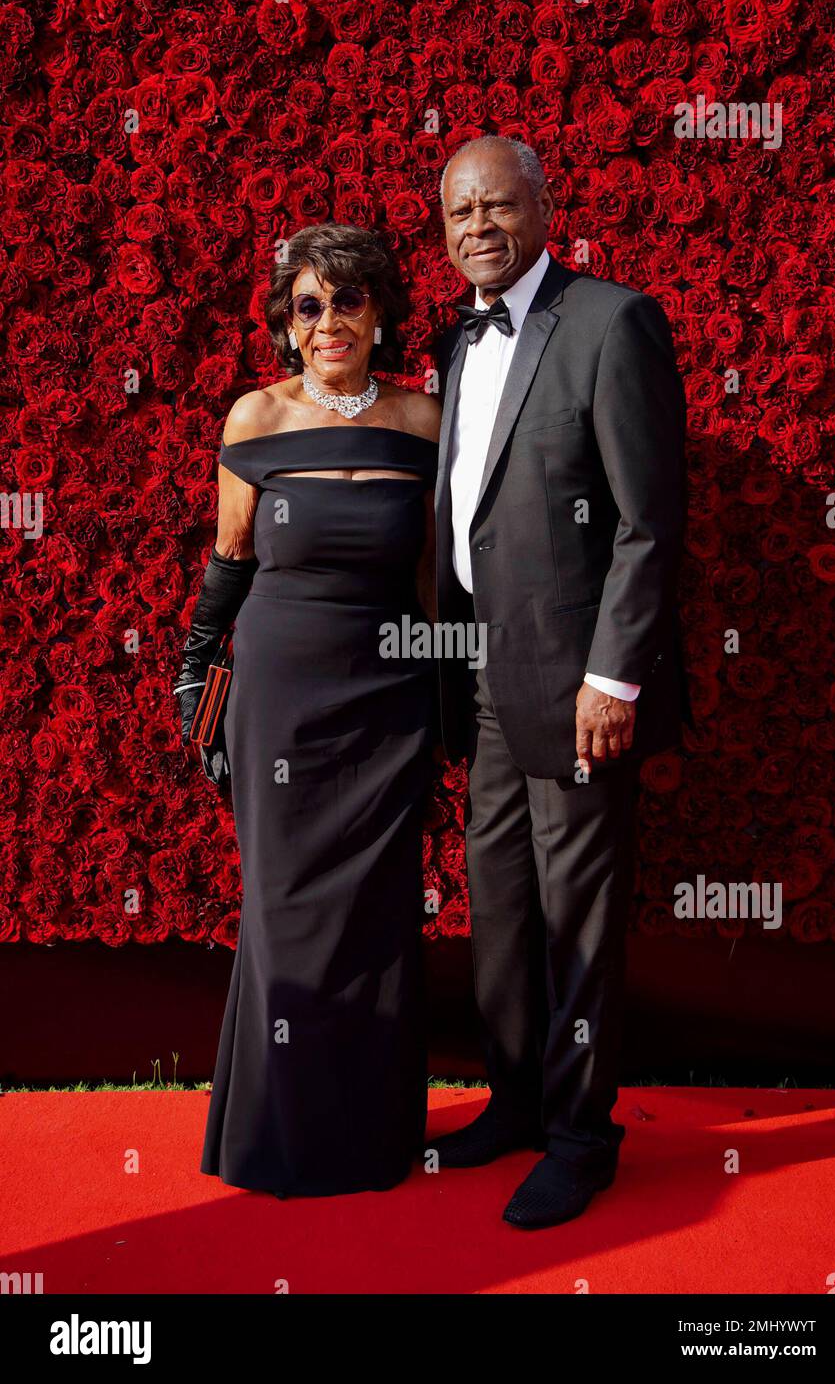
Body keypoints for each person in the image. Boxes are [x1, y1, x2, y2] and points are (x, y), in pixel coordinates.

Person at [429, 136, 690, 1229]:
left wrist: (611, 679)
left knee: (576, 916)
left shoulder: (609, 321)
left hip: (575, 683)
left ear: (543, 205)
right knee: (500, 908)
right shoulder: (452, 342)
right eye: (455, 214)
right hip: (479, 674)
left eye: (495, 204)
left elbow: (647, 520)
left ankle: (584, 1136)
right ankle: (518, 1098)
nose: (475, 226)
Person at [175, 222, 441, 1197]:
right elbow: (229, 558)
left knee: (375, 916)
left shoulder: (422, 421)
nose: (330, 320)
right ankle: (276, 1135)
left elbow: (431, 578)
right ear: (288, 325)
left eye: (350, 299)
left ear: (379, 312)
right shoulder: (257, 417)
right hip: (282, 696)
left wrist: (451, 684)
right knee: (285, 913)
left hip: (390, 695)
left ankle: (369, 1136)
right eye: (309, 305)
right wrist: (196, 672)